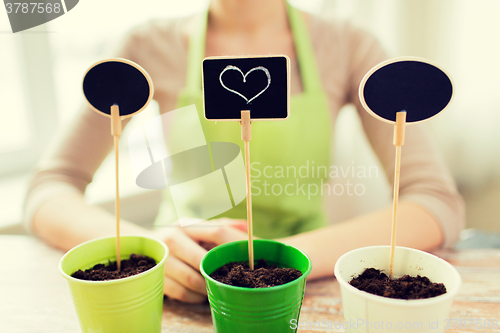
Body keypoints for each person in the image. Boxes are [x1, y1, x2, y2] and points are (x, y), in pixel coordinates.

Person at [23, 0, 465, 304]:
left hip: (307, 285)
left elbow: (434, 202)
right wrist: (150, 248)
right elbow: (48, 191)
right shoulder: (146, 47)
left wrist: (281, 258)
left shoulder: (348, 45)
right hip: (178, 283)